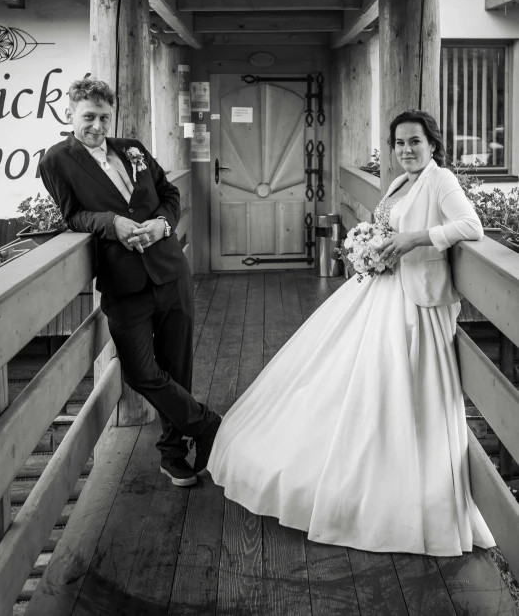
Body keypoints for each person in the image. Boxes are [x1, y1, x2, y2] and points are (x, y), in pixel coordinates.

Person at [208, 109, 495, 555]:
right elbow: (385, 226)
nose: (406, 150)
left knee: (399, 384)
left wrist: (413, 239)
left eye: (414, 142)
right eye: (399, 143)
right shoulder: (400, 182)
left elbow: (470, 226)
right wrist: (368, 246)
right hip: (383, 290)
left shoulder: (441, 181)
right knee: (343, 375)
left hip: (415, 301)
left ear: (432, 144)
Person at [40, 78, 222, 487]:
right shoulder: (57, 161)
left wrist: (162, 224)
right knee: (140, 371)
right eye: (88, 117)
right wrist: (112, 223)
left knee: (177, 366)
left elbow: (168, 193)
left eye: (105, 117)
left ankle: (174, 454)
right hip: (123, 281)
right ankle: (206, 424)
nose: (98, 126)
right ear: (70, 114)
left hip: (170, 270)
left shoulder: (133, 149)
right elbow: (73, 216)